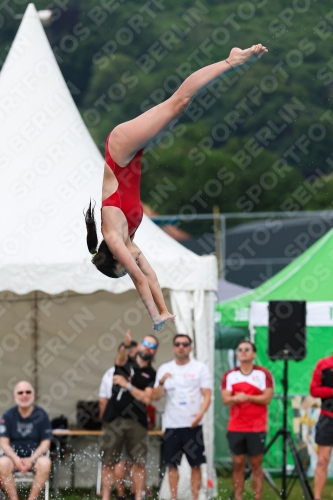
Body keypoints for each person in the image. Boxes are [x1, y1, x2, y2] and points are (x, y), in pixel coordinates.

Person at [84, 44, 268, 332]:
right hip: (133, 157)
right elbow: (151, 277)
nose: (131, 265)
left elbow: (139, 280)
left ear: (115, 259)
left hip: (120, 152)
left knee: (178, 103)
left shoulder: (115, 237)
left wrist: (154, 315)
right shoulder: (128, 242)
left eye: (123, 267)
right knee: (181, 106)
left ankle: (232, 60)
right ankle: (230, 62)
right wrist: (164, 311)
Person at [152, 334, 212, 500]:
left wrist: (200, 413)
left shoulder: (200, 368)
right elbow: (155, 396)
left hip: (193, 424)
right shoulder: (165, 369)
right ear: (173, 347)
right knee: (172, 465)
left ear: (190, 348)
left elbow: (207, 394)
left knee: (196, 465)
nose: (181, 347)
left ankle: (195, 497)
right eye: (178, 344)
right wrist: (162, 383)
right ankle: (173, 497)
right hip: (172, 424)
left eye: (185, 344)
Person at [100, 330, 158, 500]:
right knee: (109, 461)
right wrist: (125, 346)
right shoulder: (125, 363)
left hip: (137, 421)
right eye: (145, 344)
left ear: (154, 351)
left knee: (139, 462)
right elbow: (119, 358)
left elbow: (146, 398)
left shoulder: (152, 373)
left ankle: (138, 496)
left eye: (152, 346)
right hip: (114, 419)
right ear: (139, 346)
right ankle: (105, 496)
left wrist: (128, 385)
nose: (148, 348)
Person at [221, 339, 273, 500]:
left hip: (256, 427)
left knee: (257, 465)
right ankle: (238, 497)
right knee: (238, 464)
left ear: (254, 354)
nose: (242, 351)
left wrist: (247, 397)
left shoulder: (263, 374)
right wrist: (237, 398)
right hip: (236, 427)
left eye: (247, 349)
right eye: (240, 349)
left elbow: (267, 398)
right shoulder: (229, 375)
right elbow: (225, 399)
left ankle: (257, 497)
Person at [99, 333, 138, 500]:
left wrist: (104, 422)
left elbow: (102, 401)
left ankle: (124, 494)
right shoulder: (112, 374)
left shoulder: (140, 373)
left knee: (118, 461)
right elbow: (103, 400)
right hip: (117, 422)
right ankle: (124, 495)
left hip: (129, 423)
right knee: (115, 462)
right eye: (131, 352)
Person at [0, 381, 52, 500]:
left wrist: (32, 459)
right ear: (15, 396)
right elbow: (3, 442)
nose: (24, 395)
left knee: (46, 463)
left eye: (28, 392)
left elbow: (46, 443)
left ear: (33, 395)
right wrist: (16, 459)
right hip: (12, 458)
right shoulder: (8, 415)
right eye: (20, 392)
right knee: (2, 463)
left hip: (35, 457)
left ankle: (31, 499)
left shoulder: (41, 415)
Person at [310, 354, 333, 500]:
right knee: (322, 460)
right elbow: (314, 390)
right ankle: (316, 498)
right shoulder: (323, 364)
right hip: (327, 418)